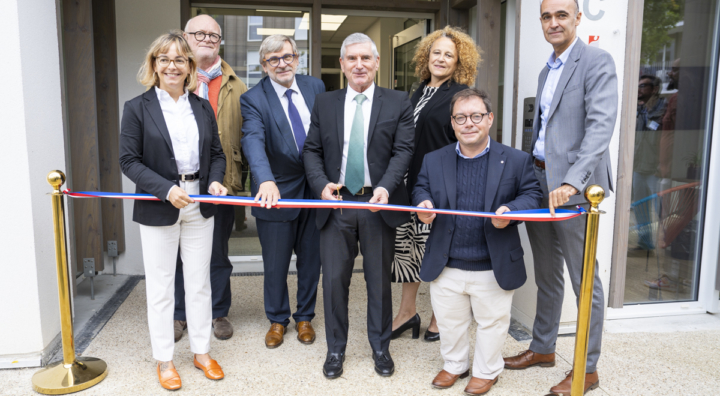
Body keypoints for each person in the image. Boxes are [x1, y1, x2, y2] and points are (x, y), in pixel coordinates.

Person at [502, 1, 618, 394]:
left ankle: (587, 369)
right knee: (547, 274)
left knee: (585, 280)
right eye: (546, 17)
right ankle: (543, 347)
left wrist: (573, 182)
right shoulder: (546, 68)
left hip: (574, 191)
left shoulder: (597, 61)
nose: (553, 23)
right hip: (538, 183)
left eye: (561, 15)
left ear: (577, 18)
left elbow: (599, 130)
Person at [414, 88, 542, 395]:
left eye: (476, 116)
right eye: (461, 117)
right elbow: (420, 189)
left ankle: (487, 371)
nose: (468, 123)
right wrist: (424, 204)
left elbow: (532, 195)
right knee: (449, 321)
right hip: (447, 260)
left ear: (489, 119)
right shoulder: (434, 160)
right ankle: (455, 365)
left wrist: (511, 212)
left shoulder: (515, 160)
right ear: (453, 123)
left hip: (492, 262)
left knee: (492, 323)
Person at [119, 31, 228, 390]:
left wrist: (213, 181)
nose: (172, 65)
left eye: (180, 59)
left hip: (200, 201)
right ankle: (164, 360)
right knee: (163, 286)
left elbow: (216, 154)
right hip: (159, 204)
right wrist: (167, 190)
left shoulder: (200, 106)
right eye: (164, 58)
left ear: (189, 67)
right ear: (154, 64)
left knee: (199, 284)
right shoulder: (137, 108)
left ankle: (201, 352)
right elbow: (129, 161)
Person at [303, 33, 414, 379]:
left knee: (378, 281)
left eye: (366, 58)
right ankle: (336, 349)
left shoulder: (398, 102)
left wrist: (386, 187)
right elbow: (311, 150)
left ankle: (380, 347)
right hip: (336, 205)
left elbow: (403, 151)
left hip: (377, 204)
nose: (359, 65)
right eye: (352, 59)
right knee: (334, 281)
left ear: (377, 62)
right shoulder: (325, 103)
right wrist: (321, 185)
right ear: (342, 64)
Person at [390, 26, 481, 343]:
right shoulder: (418, 92)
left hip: (442, 188)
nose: (441, 59)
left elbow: (469, 142)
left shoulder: (460, 96)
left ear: (459, 62)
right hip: (408, 185)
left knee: (438, 252)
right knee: (409, 252)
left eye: (449, 55)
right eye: (436, 52)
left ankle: (440, 317)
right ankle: (406, 313)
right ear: (426, 56)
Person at [240, 35, 325, 348]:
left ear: (297, 58)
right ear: (264, 65)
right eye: (273, 59)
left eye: (287, 56)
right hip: (276, 191)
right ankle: (277, 319)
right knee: (275, 263)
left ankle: (305, 317)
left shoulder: (316, 87)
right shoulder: (253, 99)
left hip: (315, 191)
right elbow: (252, 140)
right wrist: (264, 179)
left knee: (310, 260)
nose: (282, 63)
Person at [172, 14, 248, 343]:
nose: (206, 39)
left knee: (217, 253)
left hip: (222, 183)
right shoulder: (171, 78)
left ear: (220, 43)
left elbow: (249, 139)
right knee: (175, 253)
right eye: (199, 33)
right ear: (185, 38)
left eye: (213, 36)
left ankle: (219, 312)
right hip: (177, 185)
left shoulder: (237, 85)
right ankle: (179, 314)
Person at [632, 74, 666, 204]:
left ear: (654, 89)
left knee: (659, 209)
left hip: (655, 170)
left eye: (642, 86)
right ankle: (643, 226)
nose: (638, 89)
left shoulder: (665, 109)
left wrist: (662, 165)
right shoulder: (639, 110)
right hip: (638, 168)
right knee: (639, 206)